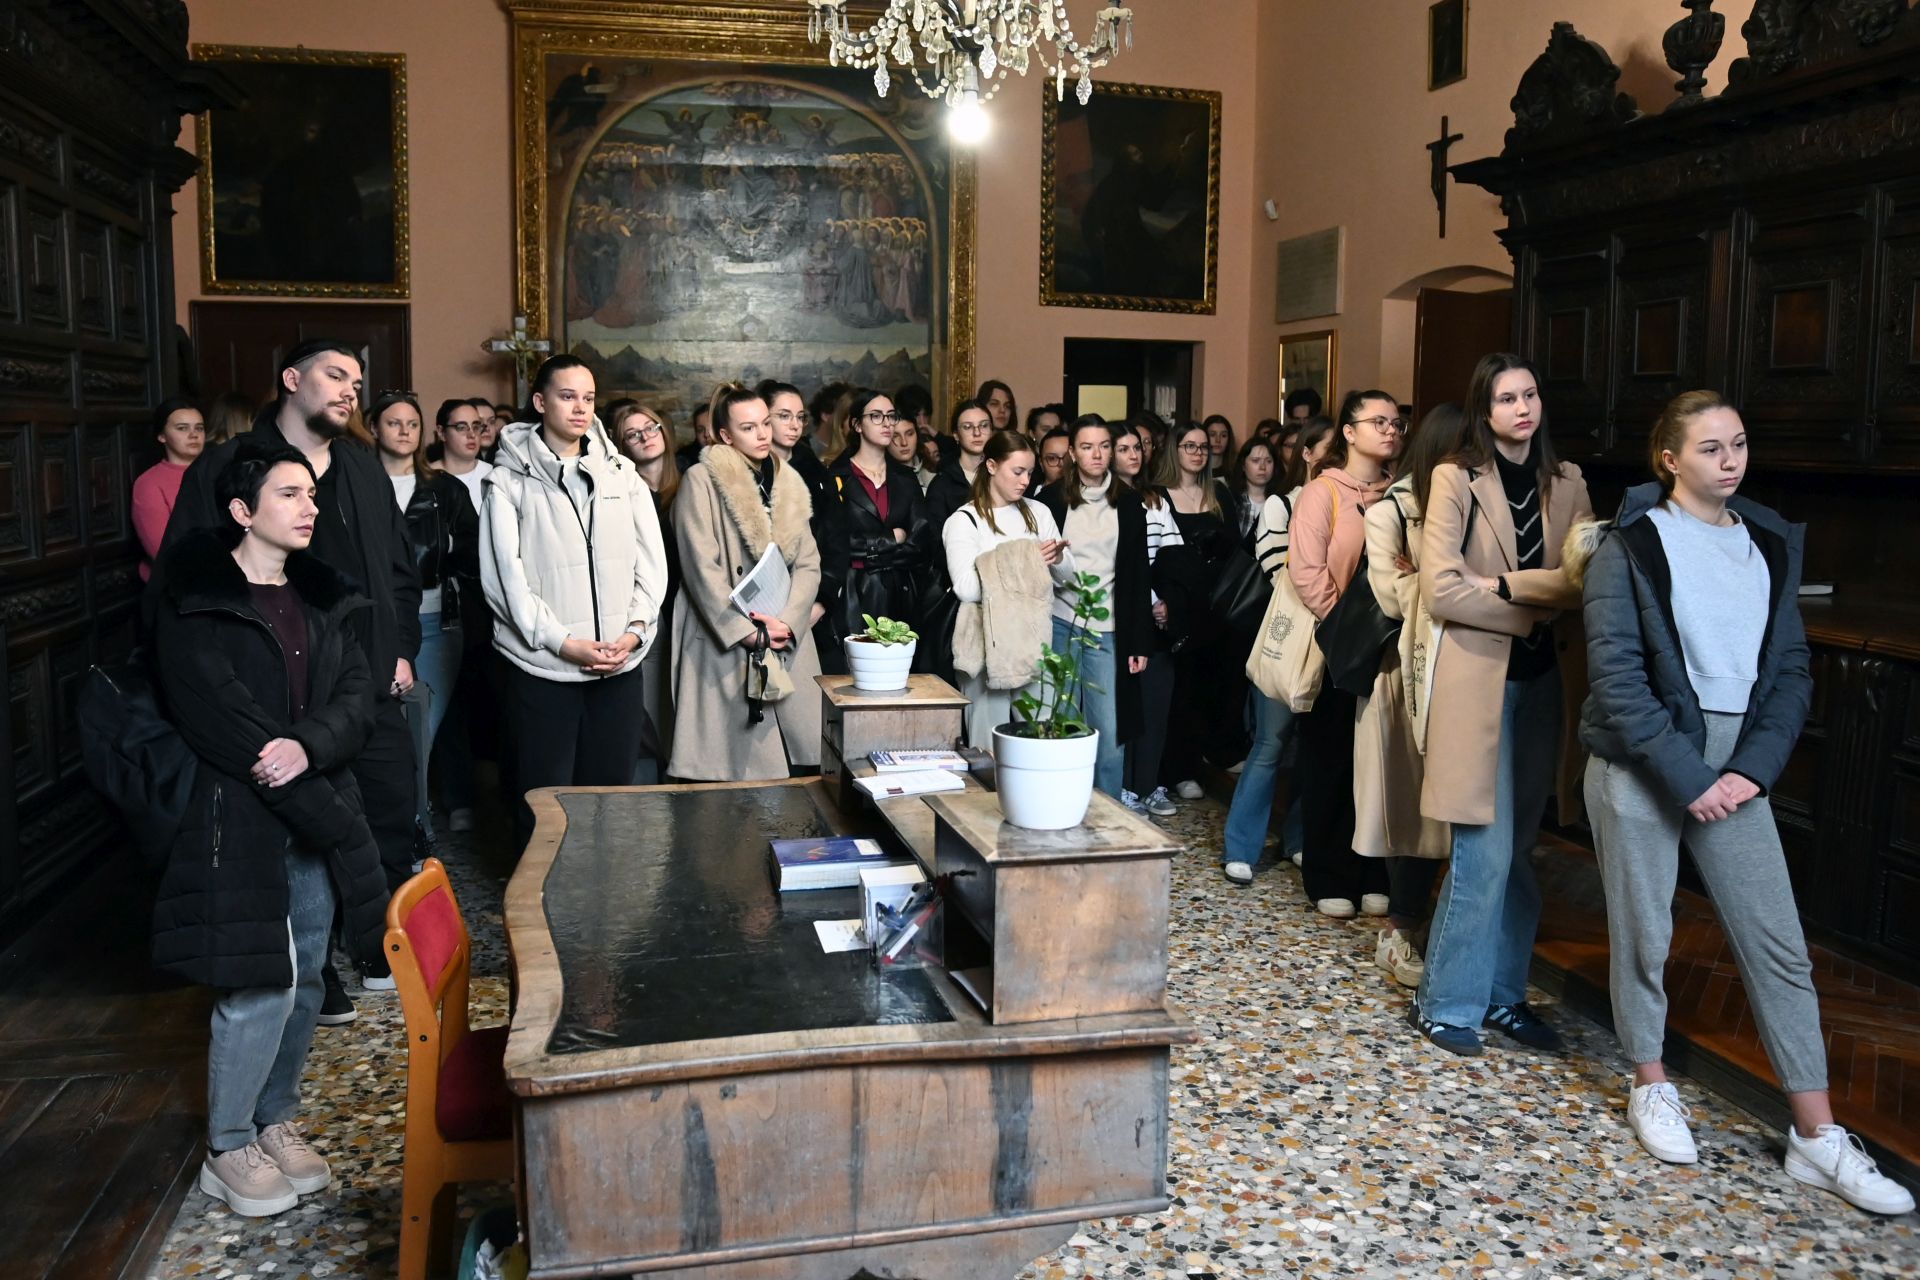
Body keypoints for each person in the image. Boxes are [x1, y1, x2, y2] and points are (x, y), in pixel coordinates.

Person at [1577, 392, 1911, 1214]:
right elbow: (1617, 682)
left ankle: (1815, 1135)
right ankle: (1651, 1082)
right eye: (1711, 448)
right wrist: (1692, 778)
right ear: (1670, 459)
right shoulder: (1630, 546)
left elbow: (1790, 671)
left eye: (1739, 444)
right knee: (1646, 935)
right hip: (1645, 763)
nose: (1730, 460)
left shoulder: (1766, 541)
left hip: (1737, 770)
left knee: (1778, 945)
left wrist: (1751, 773)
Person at [151, 441, 388, 1218]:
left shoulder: (321, 595)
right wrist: (288, 765)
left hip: (315, 798)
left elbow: (355, 695)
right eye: (289, 494)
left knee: (309, 972)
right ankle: (228, 1148)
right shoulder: (197, 601)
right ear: (241, 511)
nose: (309, 506)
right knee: (260, 979)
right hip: (240, 814)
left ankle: (273, 1118)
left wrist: (308, 747)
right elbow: (216, 714)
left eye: (311, 493)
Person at [158, 340, 420, 1021]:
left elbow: (397, 568)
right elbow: (184, 579)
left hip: (363, 685)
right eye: (335, 375)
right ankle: (313, 969)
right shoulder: (231, 464)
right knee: (298, 829)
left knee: (389, 813)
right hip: (273, 692)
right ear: (291, 380)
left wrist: (401, 648)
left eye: (357, 380)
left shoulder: (360, 467)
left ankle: (373, 947)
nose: (350, 390)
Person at [1410, 353, 1594, 1057]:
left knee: (1520, 852)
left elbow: (1582, 580)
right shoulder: (1456, 477)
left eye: (1530, 394)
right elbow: (1440, 590)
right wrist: (1530, 603)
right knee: (1482, 850)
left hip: (1546, 682)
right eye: (1507, 398)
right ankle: (1445, 1002)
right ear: (1483, 411)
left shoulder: (1568, 480)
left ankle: (1503, 994)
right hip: (1477, 684)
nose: (1522, 408)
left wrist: (1504, 586)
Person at [479, 356, 668, 851]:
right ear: (541, 402)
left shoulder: (622, 474)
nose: (581, 408)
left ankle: (599, 894)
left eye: (588, 398)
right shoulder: (507, 482)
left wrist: (634, 632)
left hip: (619, 666)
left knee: (608, 799)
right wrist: (563, 642)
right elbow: (505, 583)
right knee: (544, 807)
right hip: (545, 670)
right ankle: (539, 899)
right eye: (567, 396)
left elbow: (652, 566)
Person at [1355, 403, 1463, 988]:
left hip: (1465, 670)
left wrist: (1427, 575)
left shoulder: (1474, 507)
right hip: (1407, 674)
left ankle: (1437, 928)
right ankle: (1400, 931)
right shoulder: (1391, 510)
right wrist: (1435, 581)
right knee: (1411, 807)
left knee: (1452, 809)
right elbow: (1393, 598)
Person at [669, 384, 824, 781]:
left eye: (765, 423)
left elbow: (809, 562)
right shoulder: (701, 480)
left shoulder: (787, 479)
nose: (762, 434)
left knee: (799, 772)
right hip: (726, 631)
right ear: (725, 435)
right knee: (733, 775)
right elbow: (700, 567)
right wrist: (746, 632)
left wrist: (788, 622)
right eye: (748, 427)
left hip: (782, 630)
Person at [1289, 391, 1404, 920]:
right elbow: (1307, 571)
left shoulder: (1401, 491)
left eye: (1396, 422)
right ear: (1349, 432)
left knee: (1380, 766)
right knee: (1331, 762)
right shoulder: (1323, 491)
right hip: (1338, 645)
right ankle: (1328, 874)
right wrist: (1348, 631)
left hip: (1392, 649)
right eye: (1378, 421)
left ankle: (1373, 873)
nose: (1390, 430)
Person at [1219, 414, 1337, 884]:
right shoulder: (1281, 505)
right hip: (1288, 637)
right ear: (1307, 454)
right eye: (1330, 451)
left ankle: (1299, 839)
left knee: (1317, 748)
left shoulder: (1353, 504)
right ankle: (1240, 846)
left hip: (1334, 641)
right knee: (1271, 743)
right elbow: (1280, 574)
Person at [371, 392, 479, 841]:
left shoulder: (443, 489)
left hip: (435, 620)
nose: (404, 431)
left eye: (412, 424)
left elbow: (474, 552)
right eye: (393, 423)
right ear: (374, 428)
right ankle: (401, 829)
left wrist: (442, 553)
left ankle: (413, 830)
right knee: (384, 730)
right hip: (373, 622)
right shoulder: (356, 483)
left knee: (422, 731)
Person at [1034, 416, 1154, 799]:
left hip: (1109, 626)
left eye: (1104, 446)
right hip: (1060, 621)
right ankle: (1063, 806)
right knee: (1062, 722)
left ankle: (1108, 815)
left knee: (1109, 731)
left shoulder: (1129, 502)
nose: (1097, 454)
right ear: (1072, 452)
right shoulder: (1050, 500)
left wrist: (1139, 641)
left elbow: (1138, 575)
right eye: (1087, 447)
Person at [943, 429, 1075, 748]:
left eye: (1030, 472)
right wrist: (1025, 560)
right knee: (988, 749)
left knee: (1042, 743)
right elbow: (966, 589)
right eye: (1017, 471)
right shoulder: (965, 520)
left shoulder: (1038, 512)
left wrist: (1056, 559)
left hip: (1033, 644)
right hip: (985, 648)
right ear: (991, 466)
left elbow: (1067, 578)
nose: (1025, 480)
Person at [428, 397, 495, 832]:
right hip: (450, 601)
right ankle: (457, 799)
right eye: (461, 426)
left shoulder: (497, 477)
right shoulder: (430, 481)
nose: (472, 435)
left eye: (477, 426)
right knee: (451, 699)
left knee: (491, 697)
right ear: (440, 432)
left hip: (493, 601)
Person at [611, 399, 683, 781]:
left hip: (691, 610)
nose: (645, 437)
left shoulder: (691, 482)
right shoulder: (621, 492)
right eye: (632, 434)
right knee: (652, 712)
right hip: (649, 611)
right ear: (621, 445)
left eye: (651, 427)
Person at [1113, 420, 1182, 818]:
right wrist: (1149, 598)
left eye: (1138, 447)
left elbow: (1172, 556)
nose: (1134, 454)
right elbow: (1121, 565)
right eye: (1124, 448)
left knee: (1156, 703)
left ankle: (1148, 784)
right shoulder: (1104, 501)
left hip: (1157, 619)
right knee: (1124, 706)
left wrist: (1167, 600)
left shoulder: (1155, 499)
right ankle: (1122, 786)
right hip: (1123, 613)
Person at [825, 389, 927, 650]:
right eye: (876, 416)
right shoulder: (837, 477)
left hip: (901, 594)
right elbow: (837, 544)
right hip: (853, 594)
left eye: (891, 416)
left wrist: (868, 554)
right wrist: (891, 538)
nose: (887, 423)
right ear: (857, 424)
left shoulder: (906, 477)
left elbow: (920, 541)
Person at [134, 397, 207, 580]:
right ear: (162, 436)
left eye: (199, 428)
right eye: (182, 428)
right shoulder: (149, 483)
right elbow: (164, 553)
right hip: (178, 584)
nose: (194, 435)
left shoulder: (218, 471)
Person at [924, 398, 996, 530]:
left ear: (991, 431)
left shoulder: (1003, 475)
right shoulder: (941, 485)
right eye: (967, 427)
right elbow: (935, 537)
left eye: (984, 425)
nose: (977, 433)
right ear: (956, 435)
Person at [1226, 436, 1277, 555]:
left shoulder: (1279, 502)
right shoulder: (1230, 500)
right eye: (1255, 461)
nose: (1262, 467)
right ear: (1243, 465)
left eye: (1268, 461)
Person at [675, 402, 715, 473]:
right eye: (700, 430)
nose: (706, 434)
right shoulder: (685, 460)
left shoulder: (731, 454)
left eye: (711, 428)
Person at [1036, 425, 1072, 491]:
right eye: (1052, 458)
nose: (1061, 464)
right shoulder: (1027, 495)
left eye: (1068, 457)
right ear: (1041, 463)